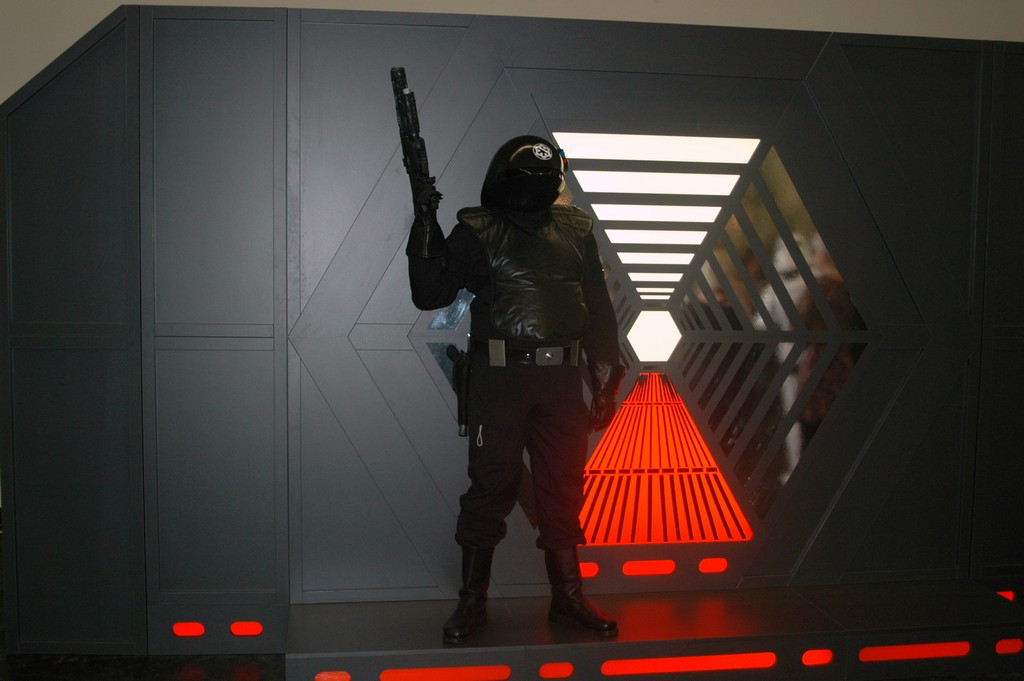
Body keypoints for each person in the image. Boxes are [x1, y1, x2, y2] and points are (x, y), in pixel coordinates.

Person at [406, 135, 624, 643]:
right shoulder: (479, 230)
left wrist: (605, 378)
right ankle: (472, 601)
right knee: (493, 483)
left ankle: (568, 598)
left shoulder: (575, 230)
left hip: (561, 381)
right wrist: (424, 224)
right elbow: (430, 293)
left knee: (563, 485)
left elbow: (597, 307)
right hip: (500, 379)